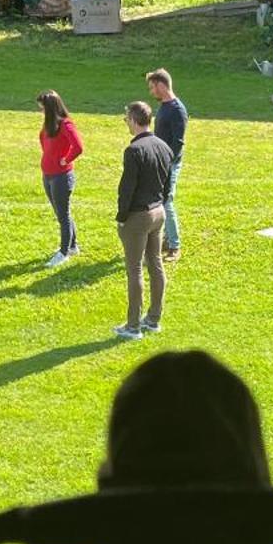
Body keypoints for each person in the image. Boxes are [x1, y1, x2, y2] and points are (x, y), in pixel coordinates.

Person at [114, 99, 174, 341]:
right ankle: (153, 319)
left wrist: (121, 218)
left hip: (138, 215)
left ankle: (132, 326)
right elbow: (168, 185)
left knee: (135, 269)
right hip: (159, 212)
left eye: (127, 119)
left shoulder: (134, 151)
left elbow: (126, 188)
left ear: (135, 120)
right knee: (156, 264)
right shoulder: (164, 146)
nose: (126, 123)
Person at [37, 89, 84, 266]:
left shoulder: (66, 125)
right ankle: (72, 246)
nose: (40, 112)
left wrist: (65, 159)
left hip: (61, 177)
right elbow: (44, 143)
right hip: (48, 175)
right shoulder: (49, 126)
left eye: (42, 108)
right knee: (61, 213)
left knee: (63, 215)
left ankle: (64, 252)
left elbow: (78, 146)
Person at [146, 68, 188, 262]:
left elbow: (178, 144)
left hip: (169, 163)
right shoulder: (164, 106)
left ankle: (174, 246)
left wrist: (166, 164)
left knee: (166, 201)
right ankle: (165, 240)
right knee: (160, 201)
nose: (151, 91)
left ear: (162, 86)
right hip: (160, 161)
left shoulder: (177, 110)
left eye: (153, 87)